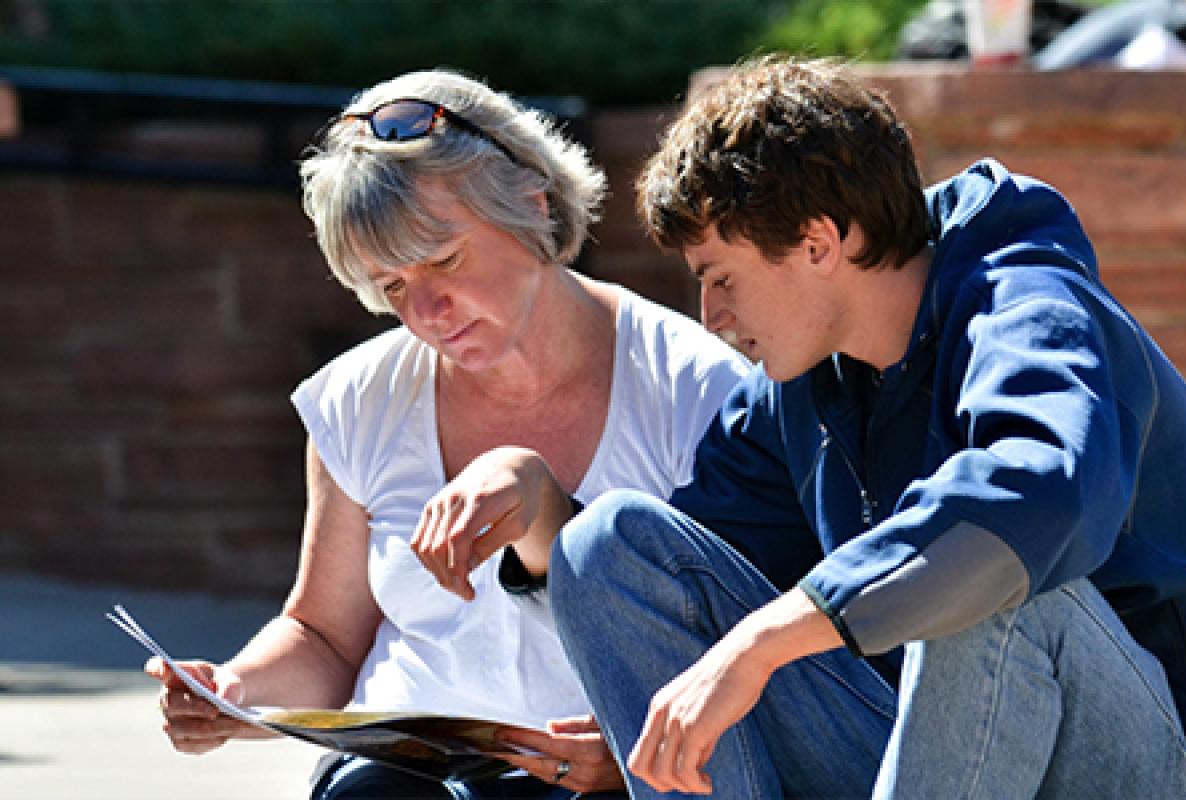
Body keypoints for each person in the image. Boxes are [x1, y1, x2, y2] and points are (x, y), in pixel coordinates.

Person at [421, 56, 1186, 797]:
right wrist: (540, 507)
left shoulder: (1028, 305)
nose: (712, 316)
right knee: (609, 544)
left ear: (819, 242)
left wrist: (761, 645)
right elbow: (669, 590)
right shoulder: (799, 388)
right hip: (916, 753)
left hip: (1141, 760)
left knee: (984, 576)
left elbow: (1040, 493)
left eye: (722, 279)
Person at [143, 68, 748, 800]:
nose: (425, 308)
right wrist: (234, 688)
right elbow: (325, 635)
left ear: (530, 200)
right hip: (402, 770)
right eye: (391, 285)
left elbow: (738, 646)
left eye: (443, 259)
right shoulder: (358, 398)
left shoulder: (696, 386)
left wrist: (631, 749)